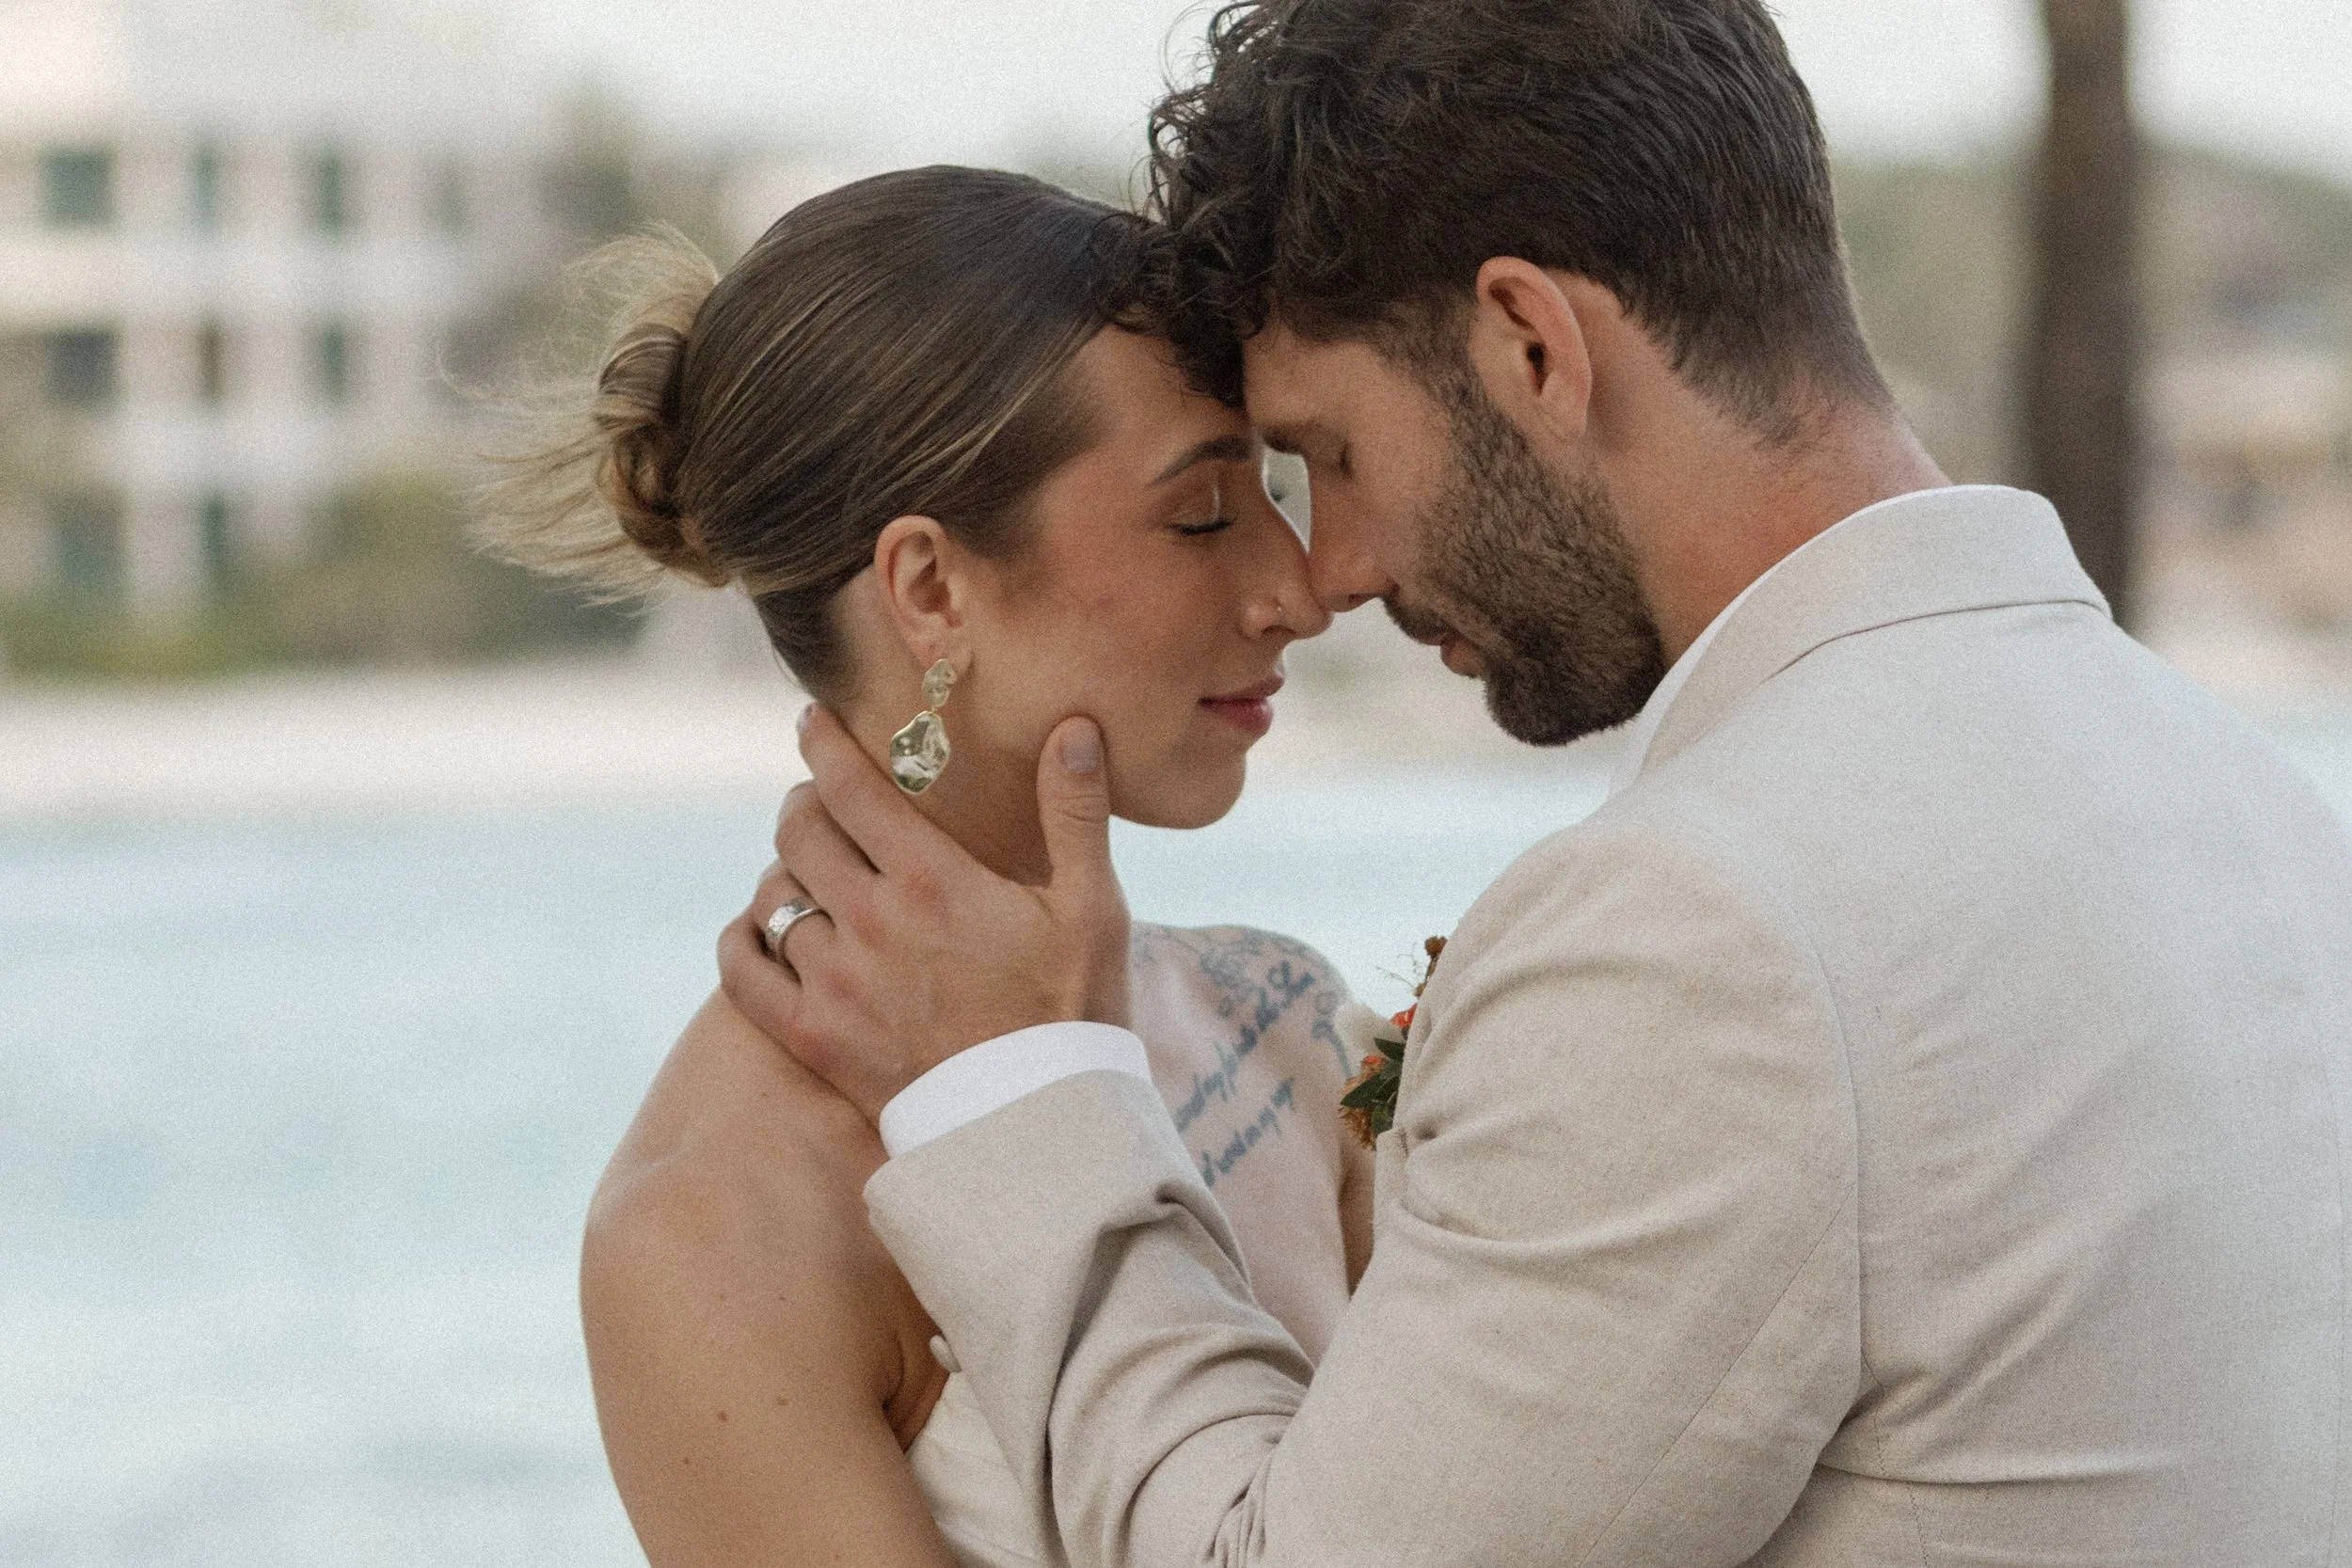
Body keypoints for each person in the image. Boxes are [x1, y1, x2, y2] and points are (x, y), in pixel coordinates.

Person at [720, 3, 2352, 1564]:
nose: (1331, 570)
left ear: (1531, 347)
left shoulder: (1709, 932)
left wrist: (1010, 1087)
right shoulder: (2246, 798)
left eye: (1334, 455)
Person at [477, 166, 1372, 1567]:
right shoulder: (716, 1223)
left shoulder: (1288, 1024)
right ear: (931, 587)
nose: (1298, 589)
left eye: (1273, 489)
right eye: (1205, 512)